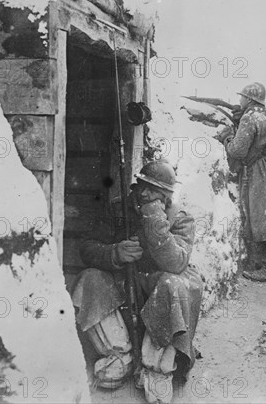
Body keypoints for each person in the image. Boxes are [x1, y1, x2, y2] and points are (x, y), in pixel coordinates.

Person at [71, 160, 203, 404]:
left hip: (160, 289)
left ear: (166, 197)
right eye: (142, 185)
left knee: (174, 285)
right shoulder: (117, 209)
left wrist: (154, 219)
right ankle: (118, 356)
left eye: (153, 190)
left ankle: (157, 370)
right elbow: (87, 248)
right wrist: (114, 253)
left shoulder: (181, 219)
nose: (143, 193)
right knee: (89, 279)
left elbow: (175, 263)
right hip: (122, 285)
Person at [215, 82, 266, 282]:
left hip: (260, 172)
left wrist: (227, 138)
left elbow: (238, 150)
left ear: (249, 99)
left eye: (242, 97)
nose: (240, 100)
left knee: (263, 218)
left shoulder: (250, 118)